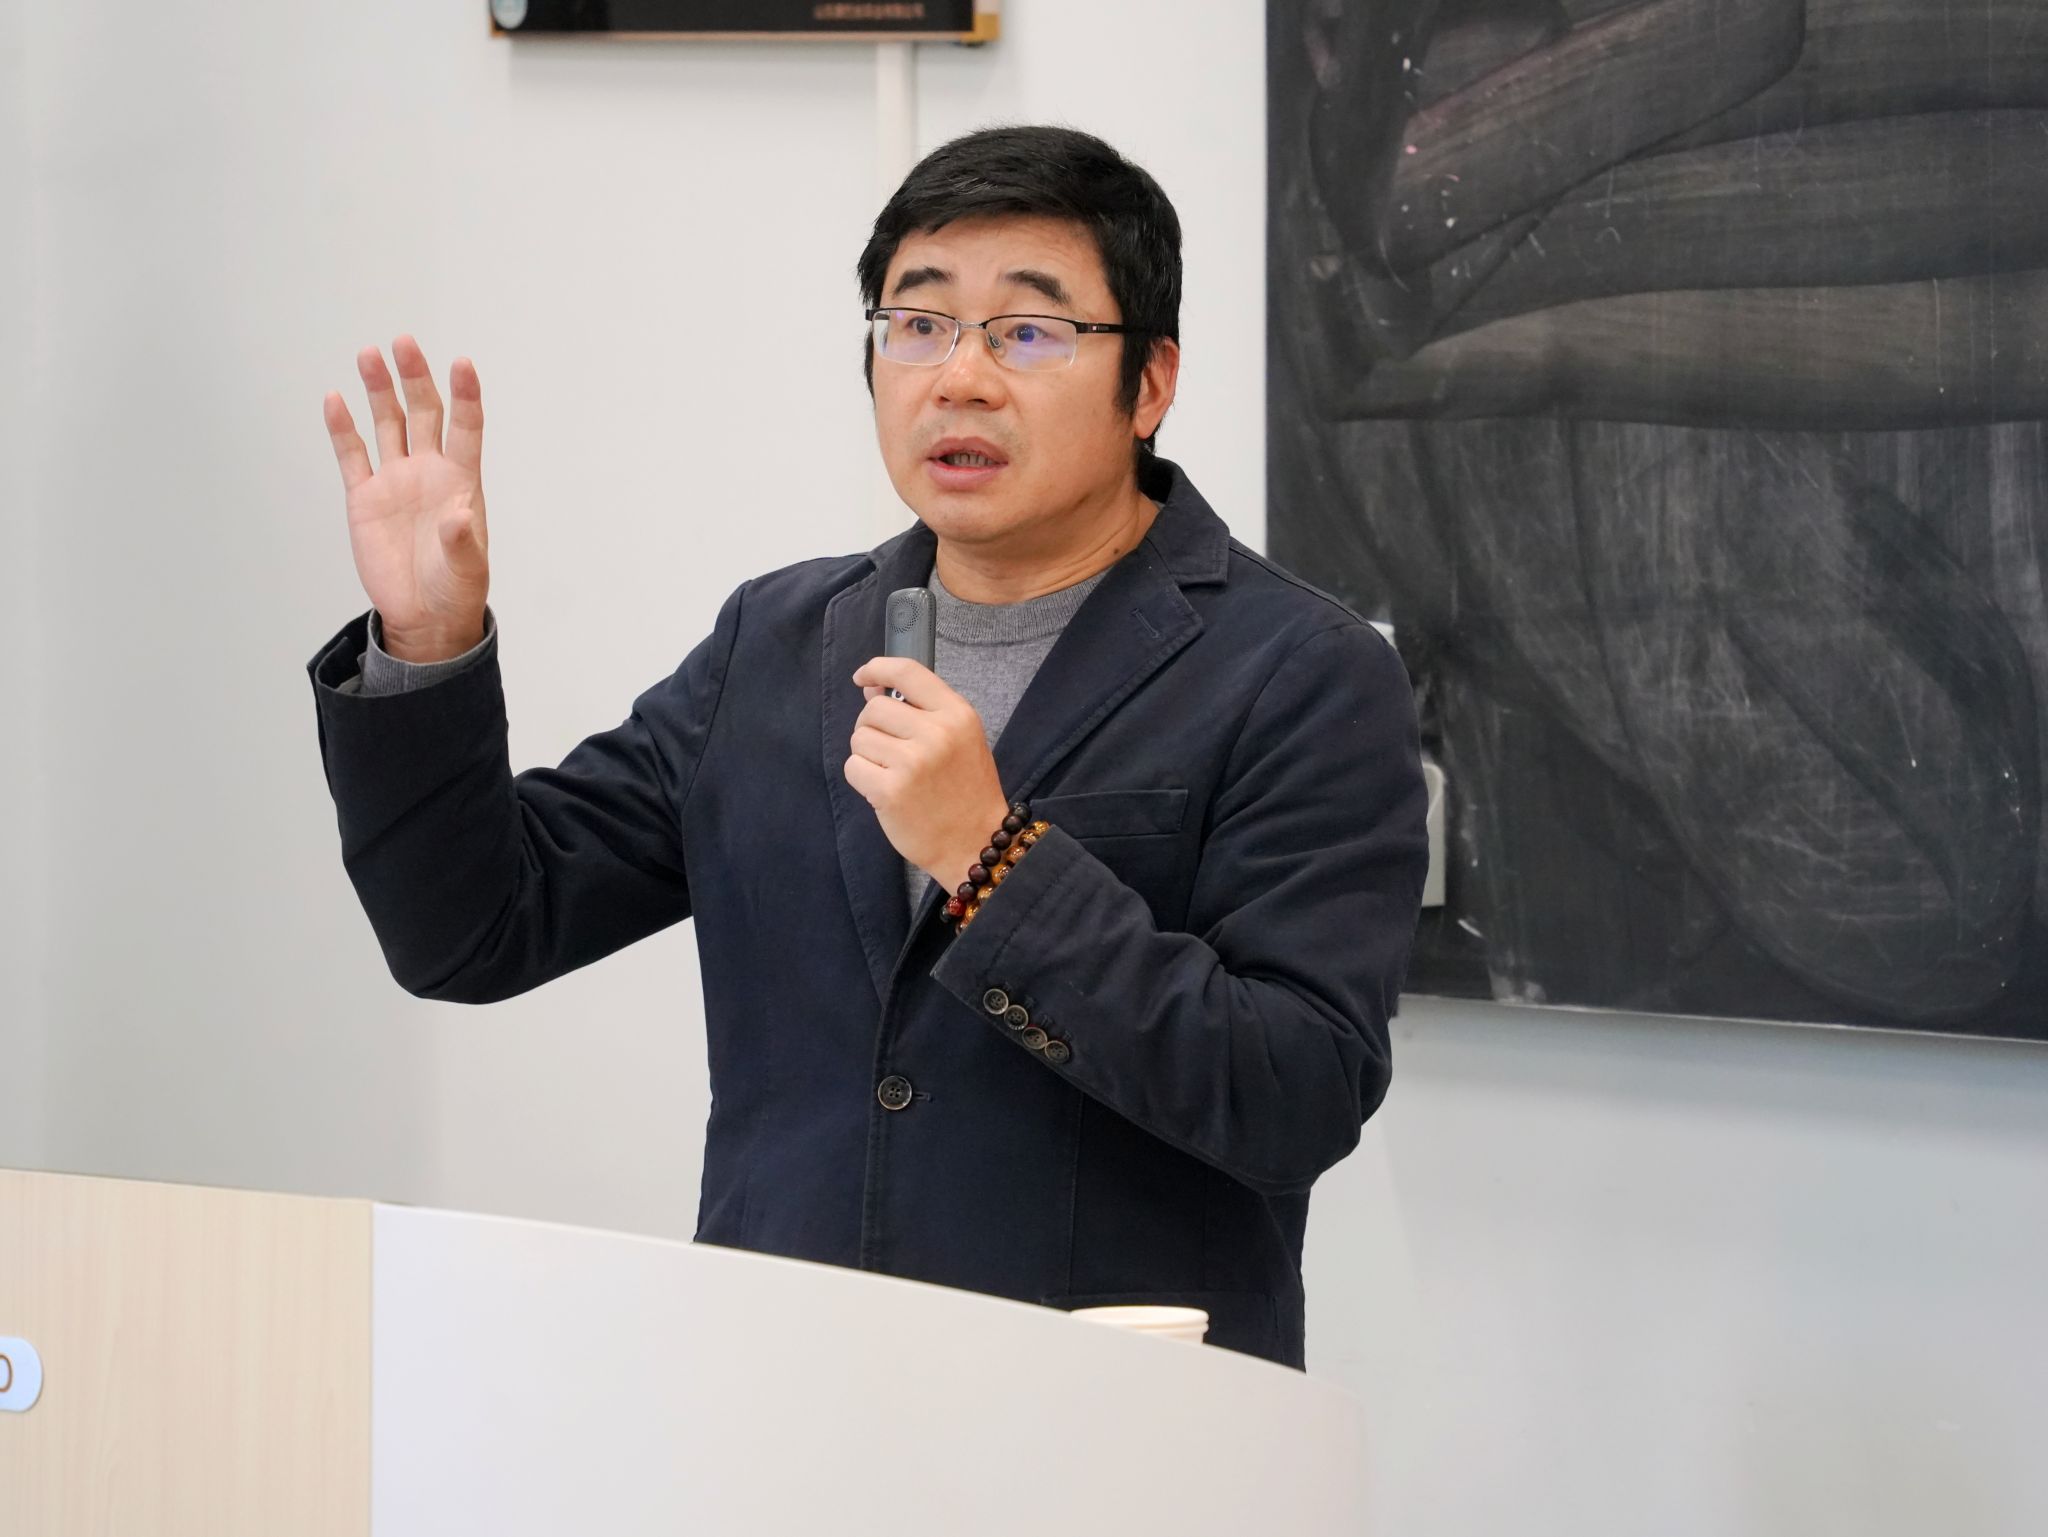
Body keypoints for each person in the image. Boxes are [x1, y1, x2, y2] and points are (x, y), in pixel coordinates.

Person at [307, 125, 1428, 1369]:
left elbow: (1292, 1093)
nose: (960, 378)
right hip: (782, 1386)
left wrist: (991, 863)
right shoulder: (780, 641)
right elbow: (473, 929)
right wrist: (426, 643)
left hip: (1102, 1408)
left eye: (1029, 332)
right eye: (918, 324)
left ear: (1149, 382)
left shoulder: (1298, 672)